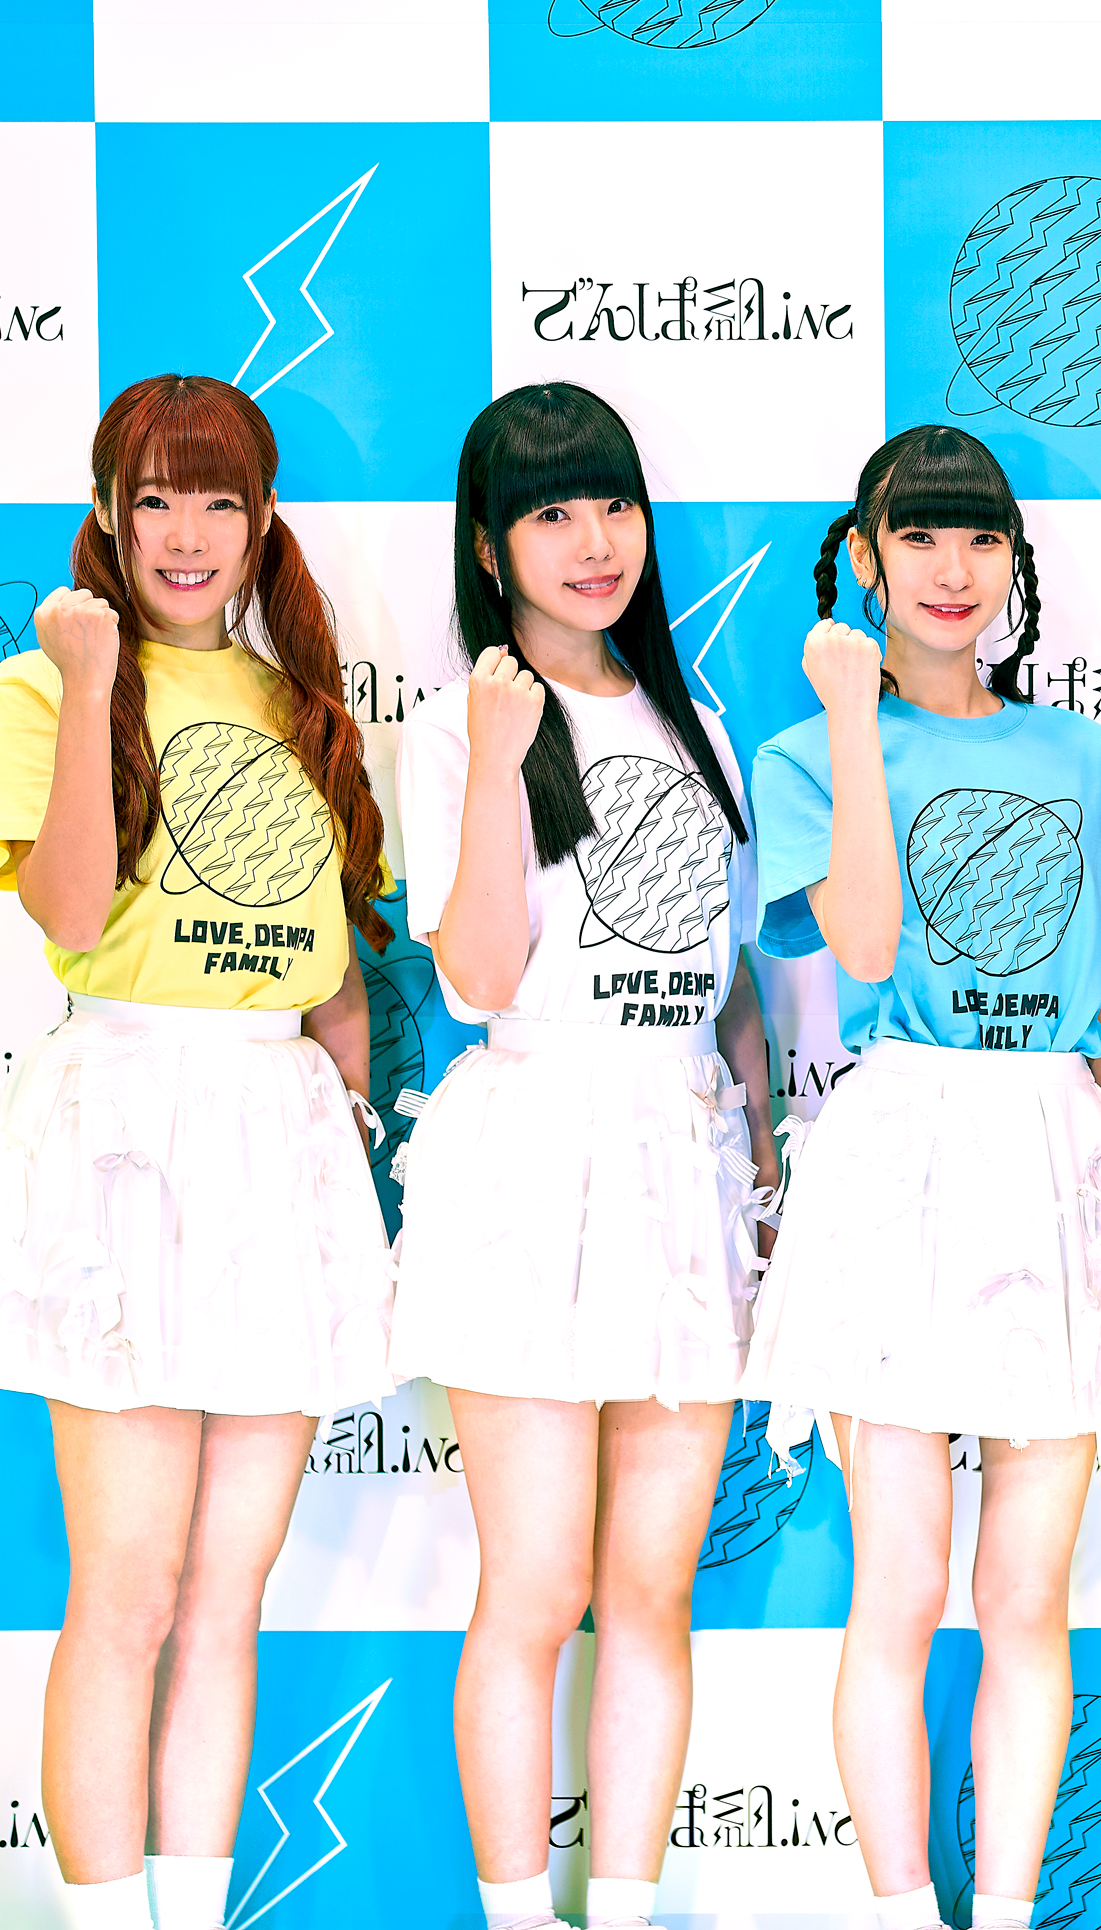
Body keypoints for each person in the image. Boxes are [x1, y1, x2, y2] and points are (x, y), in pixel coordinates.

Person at [0, 373, 396, 1930]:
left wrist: (350, 1152)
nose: (186, 534)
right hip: (129, 1125)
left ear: (262, 522)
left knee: (226, 1594)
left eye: (218, 502)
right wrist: (86, 681)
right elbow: (70, 914)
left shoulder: (301, 706)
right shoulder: (46, 683)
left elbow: (337, 979)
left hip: (282, 1133)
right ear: (108, 516)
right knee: (126, 1589)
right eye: (154, 501)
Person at [738, 425, 1101, 1930]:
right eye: (917, 536)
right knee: (900, 1589)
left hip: (1054, 1151)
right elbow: (862, 945)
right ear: (866, 556)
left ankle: (1001, 1911)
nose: (951, 568)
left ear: (1012, 562)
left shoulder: (1082, 755)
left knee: (1025, 1599)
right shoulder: (810, 750)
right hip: (904, 1152)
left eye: (979, 536)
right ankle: (894, 1911)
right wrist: (853, 715)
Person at [388, 384, 778, 1930]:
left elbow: (729, 988)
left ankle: (621, 1908)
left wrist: (762, 1180)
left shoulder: (699, 726)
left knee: (650, 1593)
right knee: (539, 1585)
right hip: (532, 1164)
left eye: (611, 502)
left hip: (682, 1166)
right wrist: (498, 757)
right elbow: (478, 978)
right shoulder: (456, 730)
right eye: (550, 512)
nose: (593, 538)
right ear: (490, 548)